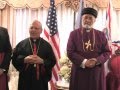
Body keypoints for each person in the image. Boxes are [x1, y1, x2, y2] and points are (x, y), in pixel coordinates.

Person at [67, 7, 111, 90]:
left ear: (94, 20)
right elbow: (70, 52)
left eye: (90, 18)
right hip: (79, 70)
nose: (87, 20)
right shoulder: (73, 34)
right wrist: (84, 62)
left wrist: (97, 61)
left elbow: (107, 52)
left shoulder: (101, 35)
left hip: (96, 71)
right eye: (85, 17)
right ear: (82, 18)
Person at [12, 20, 56, 90]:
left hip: (41, 80)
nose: (33, 30)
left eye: (36, 28)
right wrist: (24, 60)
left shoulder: (47, 46)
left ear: (41, 30)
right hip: (25, 79)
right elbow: (14, 60)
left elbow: (52, 61)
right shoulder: (21, 44)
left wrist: (42, 61)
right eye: (31, 28)